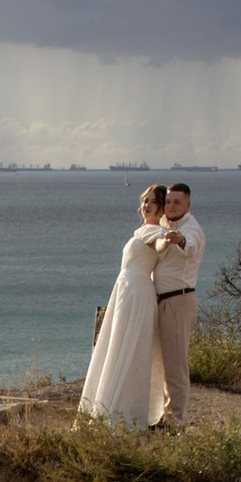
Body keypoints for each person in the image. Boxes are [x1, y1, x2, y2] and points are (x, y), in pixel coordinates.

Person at [79, 184, 169, 432]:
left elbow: (160, 244)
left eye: (152, 202)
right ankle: (110, 406)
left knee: (128, 348)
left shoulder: (155, 231)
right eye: (144, 201)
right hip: (126, 290)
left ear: (161, 207)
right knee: (116, 345)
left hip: (136, 292)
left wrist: (167, 239)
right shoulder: (143, 230)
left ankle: (121, 413)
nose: (146, 205)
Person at [151, 180, 203, 424]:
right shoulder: (163, 224)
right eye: (169, 201)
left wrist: (179, 240)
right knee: (162, 363)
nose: (171, 206)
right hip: (160, 300)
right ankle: (163, 415)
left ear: (188, 204)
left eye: (177, 202)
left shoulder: (191, 228)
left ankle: (176, 420)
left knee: (176, 365)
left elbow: (190, 245)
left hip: (177, 301)